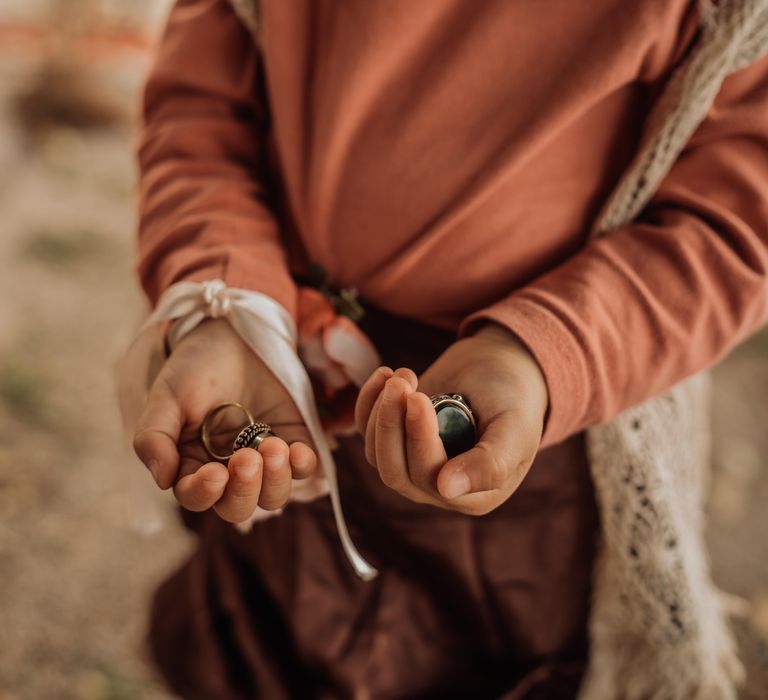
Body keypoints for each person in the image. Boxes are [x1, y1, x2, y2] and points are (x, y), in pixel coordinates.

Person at [129, 0, 768, 697]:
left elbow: (739, 210)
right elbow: (198, 117)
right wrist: (228, 300)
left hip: (533, 434)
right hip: (281, 369)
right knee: (270, 644)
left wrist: (547, 351)